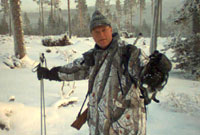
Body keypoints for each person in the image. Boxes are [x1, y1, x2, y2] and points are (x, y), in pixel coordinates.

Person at [36, 10, 172, 135]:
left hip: (126, 129)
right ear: (92, 35)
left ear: (110, 29)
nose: (101, 35)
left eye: (104, 30)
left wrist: (157, 74)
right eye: (96, 32)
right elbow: (73, 70)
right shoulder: (92, 57)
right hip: (98, 129)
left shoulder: (129, 53)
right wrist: (49, 73)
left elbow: (147, 76)